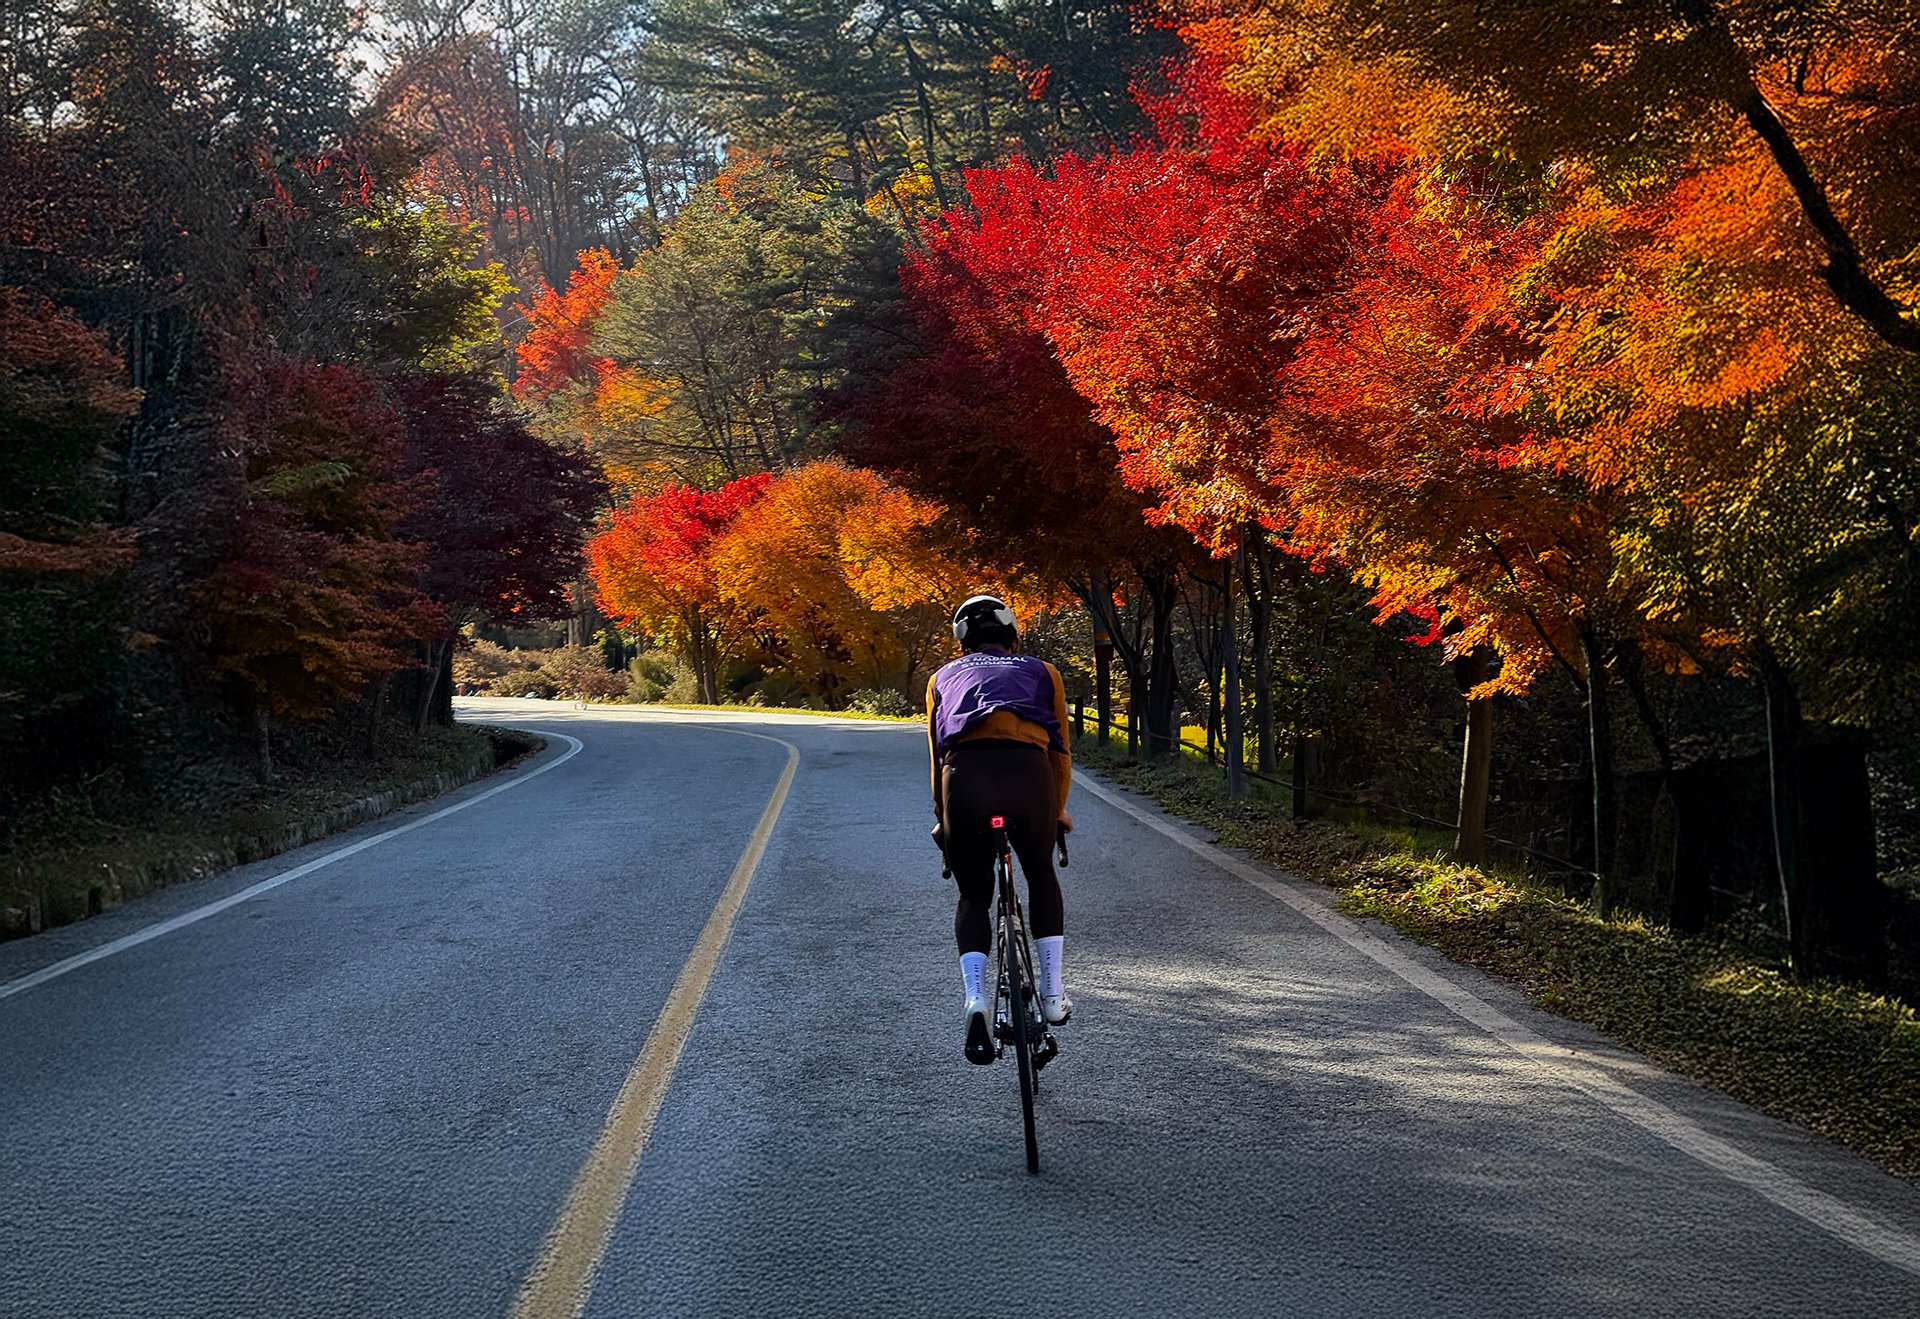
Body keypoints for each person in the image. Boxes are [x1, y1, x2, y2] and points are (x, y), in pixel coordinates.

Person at [927, 594, 1074, 1065]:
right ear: (1013, 634)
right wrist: (1059, 810)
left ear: (962, 642)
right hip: (1029, 778)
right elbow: (1060, 752)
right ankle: (1052, 994)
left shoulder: (941, 678)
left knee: (973, 896)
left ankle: (975, 998)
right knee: (1041, 874)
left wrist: (942, 815)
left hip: (964, 783)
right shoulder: (1043, 671)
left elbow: (937, 756)